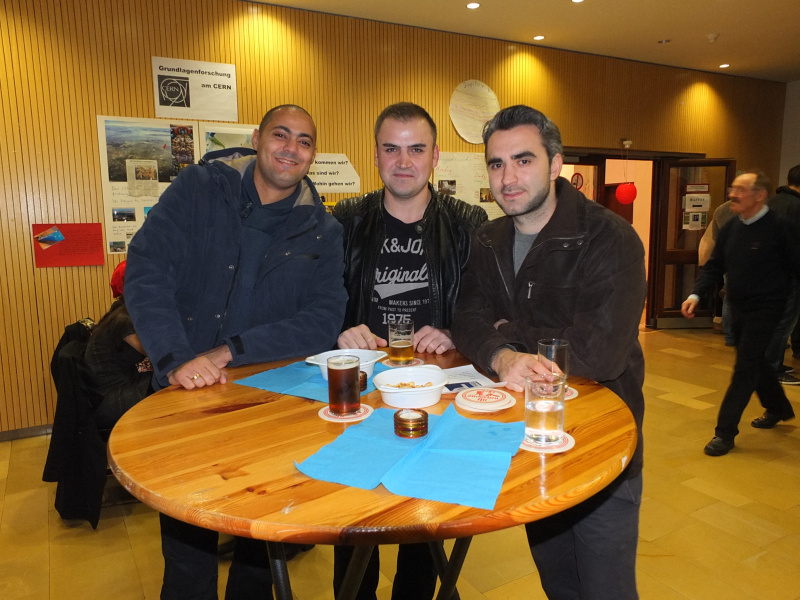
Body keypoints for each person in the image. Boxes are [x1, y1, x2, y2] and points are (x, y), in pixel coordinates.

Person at [125, 104, 347, 600]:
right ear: (256, 137)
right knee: (188, 555)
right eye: (281, 135)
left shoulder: (324, 230)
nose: (291, 149)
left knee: (261, 554)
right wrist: (175, 358)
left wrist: (230, 351)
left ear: (313, 155)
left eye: (305, 141)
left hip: (270, 410)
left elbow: (322, 321)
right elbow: (146, 268)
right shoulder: (199, 188)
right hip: (185, 398)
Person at [451, 105, 646, 600]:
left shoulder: (610, 238)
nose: (508, 178)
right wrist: (502, 356)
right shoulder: (489, 238)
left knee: (605, 589)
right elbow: (466, 319)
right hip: (530, 442)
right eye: (497, 164)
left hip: (600, 444)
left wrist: (509, 331)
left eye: (524, 160)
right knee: (558, 583)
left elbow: (598, 354)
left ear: (556, 164)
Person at [331, 102, 487, 600]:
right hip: (362, 395)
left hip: (434, 394)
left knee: (422, 524)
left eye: (416, 149)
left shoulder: (468, 222)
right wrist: (340, 329)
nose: (403, 162)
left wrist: (456, 331)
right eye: (391, 149)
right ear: (376, 154)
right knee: (353, 521)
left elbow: (488, 304)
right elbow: (316, 299)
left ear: (435, 156)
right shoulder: (346, 219)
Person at [682, 170, 798, 456]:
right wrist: (695, 294)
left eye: (740, 190)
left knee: (745, 368)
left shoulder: (780, 228)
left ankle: (724, 433)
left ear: (760, 196)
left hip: (768, 309)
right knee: (755, 361)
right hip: (738, 308)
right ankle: (778, 408)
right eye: (733, 189)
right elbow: (714, 266)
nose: (732, 194)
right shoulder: (732, 227)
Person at [84, 260, 153, 431]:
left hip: (115, 391)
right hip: (112, 400)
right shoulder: (124, 321)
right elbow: (159, 353)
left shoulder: (121, 310)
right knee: (170, 381)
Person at [765, 163, 800, 382]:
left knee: (775, 321)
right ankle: (773, 368)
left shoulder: (771, 202)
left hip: (768, 272)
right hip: (789, 274)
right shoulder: (797, 206)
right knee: (784, 323)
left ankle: (772, 363)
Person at [698, 200, 735, 345]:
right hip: (735, 259)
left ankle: (729, 335)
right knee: (731, 297)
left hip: (725, 257)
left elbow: (715, 237)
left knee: (728, 296)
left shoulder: (720, 209)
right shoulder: (744, 213)